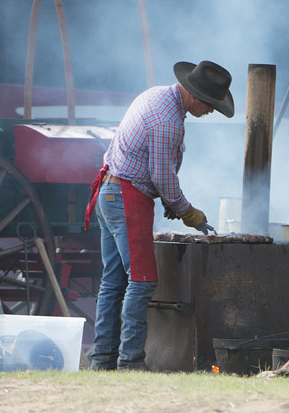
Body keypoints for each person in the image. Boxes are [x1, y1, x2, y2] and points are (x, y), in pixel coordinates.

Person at [84, 60, 234, 371]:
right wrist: (187, 212)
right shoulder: (168, 120)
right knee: (142, 280)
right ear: (195, 96)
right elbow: (163, 177)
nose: (210, 112)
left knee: (113, 280)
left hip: (110, 192)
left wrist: (169, 201)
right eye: (211, 106)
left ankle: (101, 359)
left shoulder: (156, 95)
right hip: (126, 197)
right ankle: (130, 362)